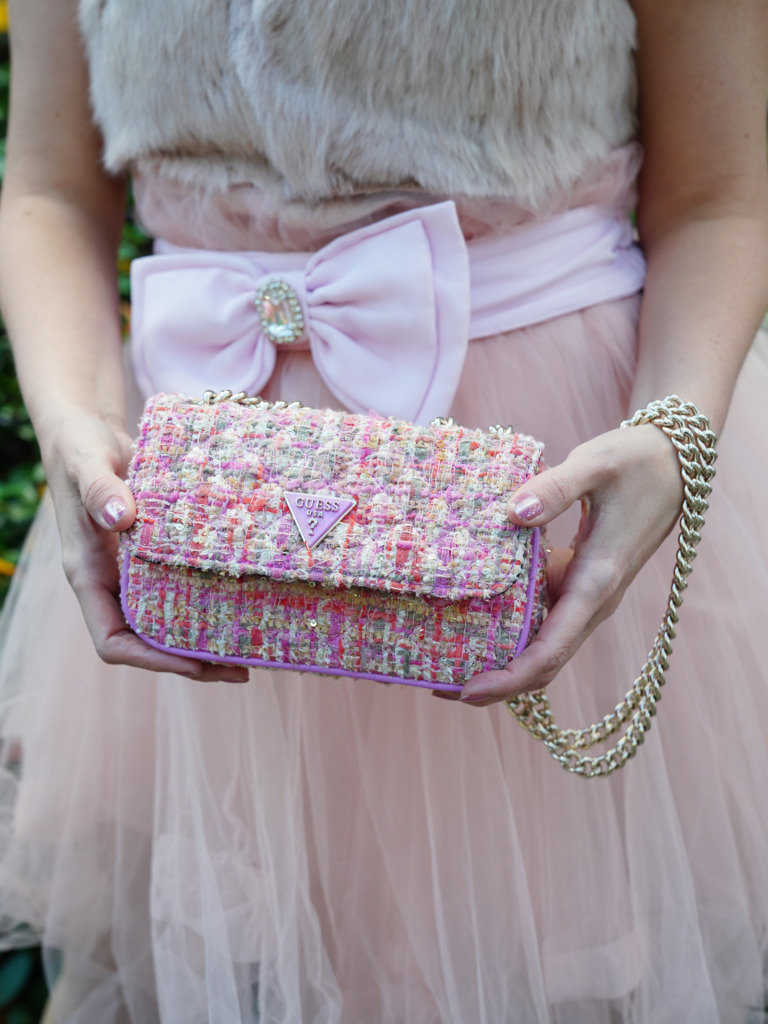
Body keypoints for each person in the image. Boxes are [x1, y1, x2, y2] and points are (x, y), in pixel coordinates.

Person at [0, 0, 767, 1021]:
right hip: (194, 509)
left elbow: (719, 196)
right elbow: (49, 188)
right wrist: (69, 418)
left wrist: (675, 433)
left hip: (547, 485)